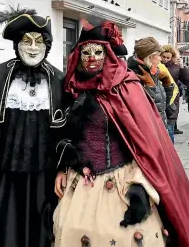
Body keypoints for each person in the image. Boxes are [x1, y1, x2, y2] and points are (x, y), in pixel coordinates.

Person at [53, 20, 189, 247]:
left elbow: (144, 142)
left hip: (119, 180)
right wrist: (62, 167)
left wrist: (140, 181)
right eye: (86, 52)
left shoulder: (126, 86)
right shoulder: (71, 89)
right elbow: (65, 135)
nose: (92, 58)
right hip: (79, 183)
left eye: (98, 52)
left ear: (108, 55)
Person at [0, 7, 66, 247]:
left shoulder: (59, 81)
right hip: (3, 176)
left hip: (45, 177)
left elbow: (68, 131)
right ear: (17, 45)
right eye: (26, 41)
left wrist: (65, 165)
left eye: (38, 41)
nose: (32, 47)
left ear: (47, 46)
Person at [127, 37, 176, 128]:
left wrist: (167, 84)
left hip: (159, 126)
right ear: (150, 57)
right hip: (149, 130)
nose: (160, 59)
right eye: (159, 56)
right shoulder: (136, 75)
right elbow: (143, 111)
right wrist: (150, 87)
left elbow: (163, 105)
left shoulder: (152, 72)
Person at [161, 45, 189, 136]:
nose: (165, 59)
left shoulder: (176, 67)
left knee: (170, 129)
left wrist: (183, 67)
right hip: (159, 99)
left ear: (172, 57)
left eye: (168, 57)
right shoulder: (156, 65)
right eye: (163, 57)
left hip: (172, 100)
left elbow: (187, 80)